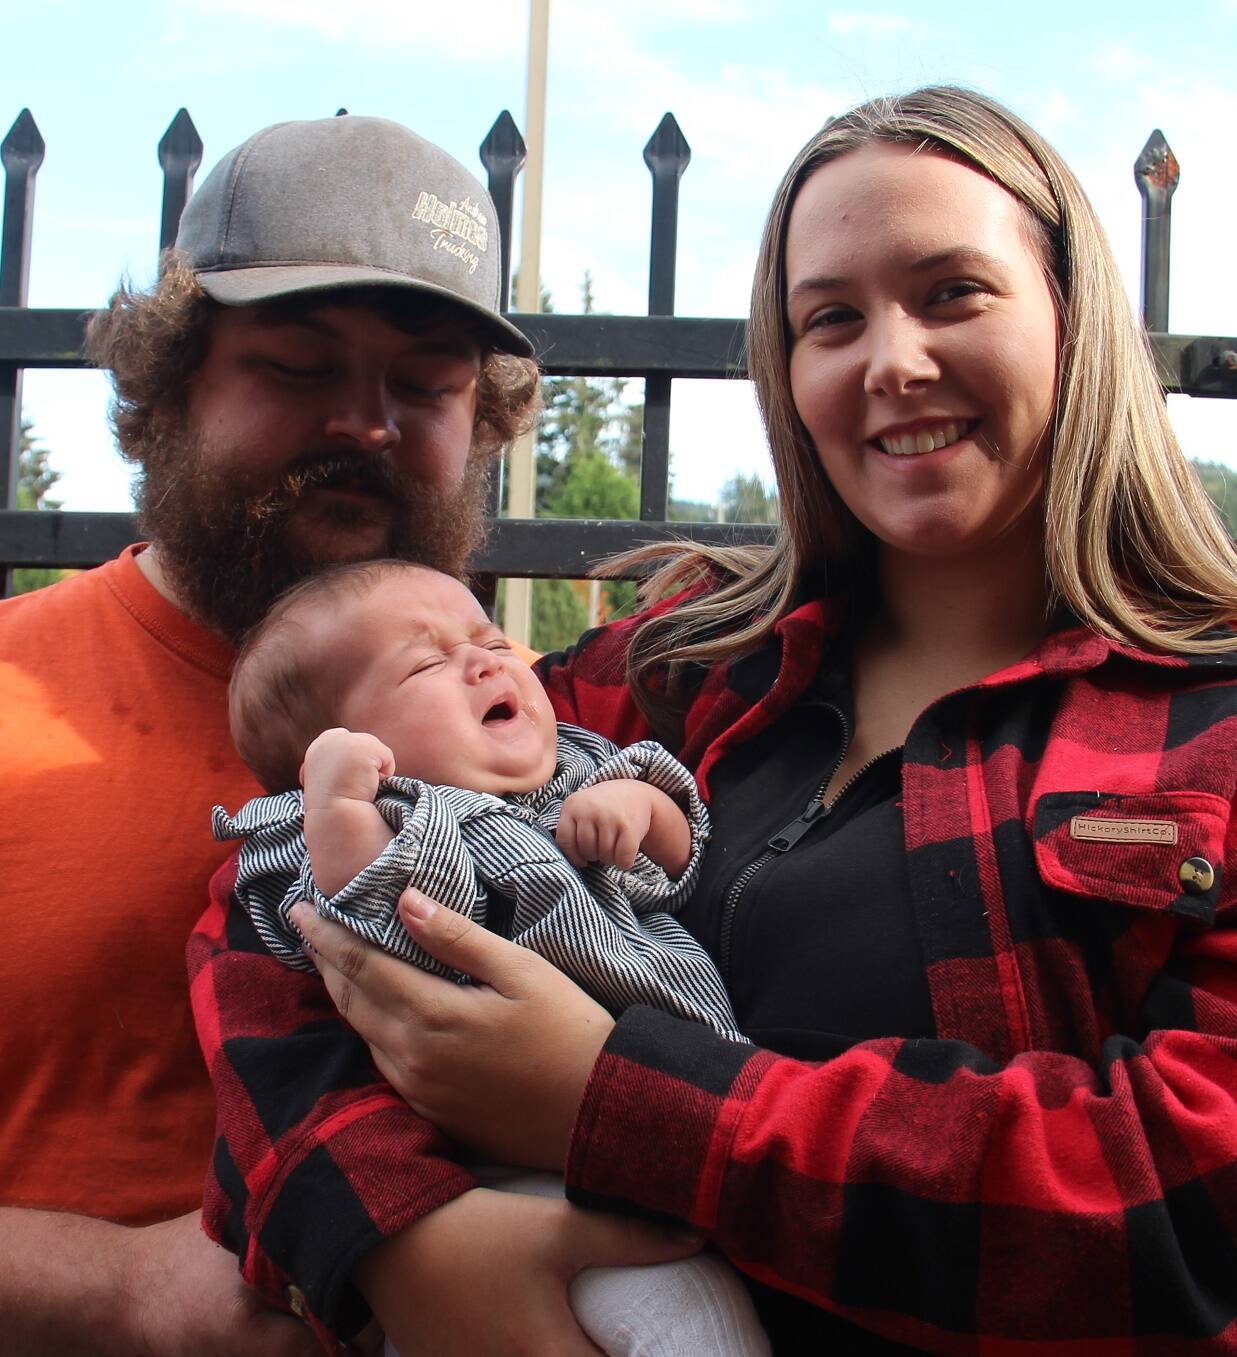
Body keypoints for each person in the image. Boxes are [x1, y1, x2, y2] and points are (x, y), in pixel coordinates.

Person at [193, 86, 1237, 1354]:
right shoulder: (686, 670)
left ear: (1076, 320)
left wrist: (611, 1100)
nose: (892, 361)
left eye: (952, 292)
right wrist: (408, 1239)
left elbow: (1185, 1205)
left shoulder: (1205, 721)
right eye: (830, 319)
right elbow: (270, 904)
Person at [0, 113, 696, 1357]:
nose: (366, 424)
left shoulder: (535, 733)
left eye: (424, 385)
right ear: (169, 388)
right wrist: (117, 1288)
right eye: (298, 366)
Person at [213, 557, 768, 1357]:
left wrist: (640, 810)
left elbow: (681, 863)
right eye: (427, 662)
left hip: (687, 1103)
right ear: (336, 749)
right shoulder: (392, 818)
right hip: (507, 1174)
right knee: (687, 1317)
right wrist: (337, 805)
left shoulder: (578, 765)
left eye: (488, 637)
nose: (485, 660)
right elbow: (375, 921)